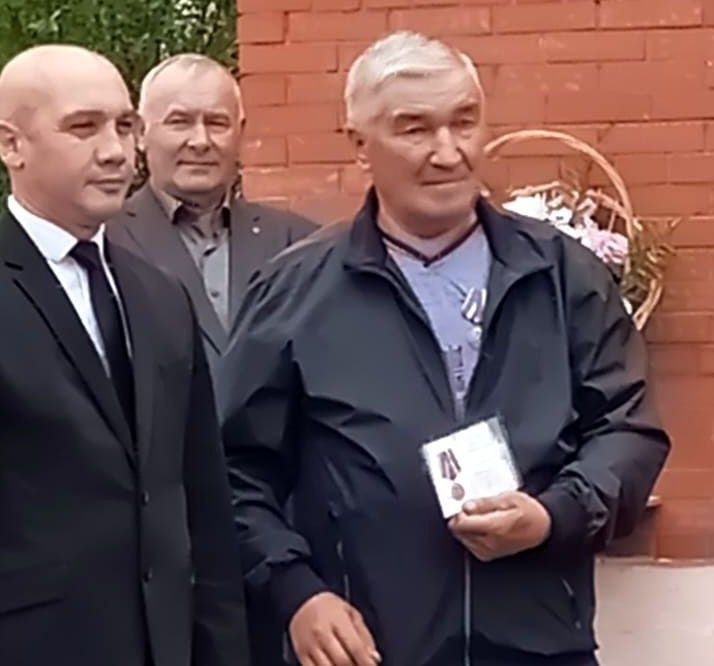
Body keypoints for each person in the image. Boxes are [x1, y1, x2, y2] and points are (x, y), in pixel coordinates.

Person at [219, 30, 670, 666]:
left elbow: (629, 430)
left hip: (539, 644)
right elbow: (233, 470)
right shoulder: (294, 294)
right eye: (415, 129)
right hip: (369, 647)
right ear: (359, 145)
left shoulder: (562, 277)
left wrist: (553, 516)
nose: (449, 152)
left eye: (465, 122)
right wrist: (297, 593)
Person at [0, 45, 249, 666]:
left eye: (125, 126)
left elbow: (204, 512)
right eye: (84, 127)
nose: (116, 152)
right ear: (11, 144)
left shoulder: (162, 298)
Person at [108, 54, 317, 379]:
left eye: (217, 123)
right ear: (140, 134)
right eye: (179, 122)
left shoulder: (299, 244)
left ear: (240, 133)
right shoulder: (105, 241)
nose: (200, 142)